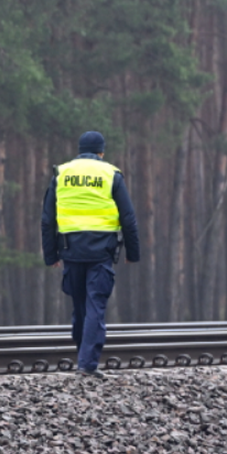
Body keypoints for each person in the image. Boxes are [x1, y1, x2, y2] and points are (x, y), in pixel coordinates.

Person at [41, 131, 140, 378]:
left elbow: (47, 219)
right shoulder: (111, 174)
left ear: (79, 149)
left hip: (70, 249)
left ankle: (82, 358)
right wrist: (133, 252)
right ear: (101, 152)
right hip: (101, 251)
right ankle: (86, 364)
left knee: (79, 307)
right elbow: (128, 218)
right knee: (96, 305)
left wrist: (50, 254)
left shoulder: (62, 174)